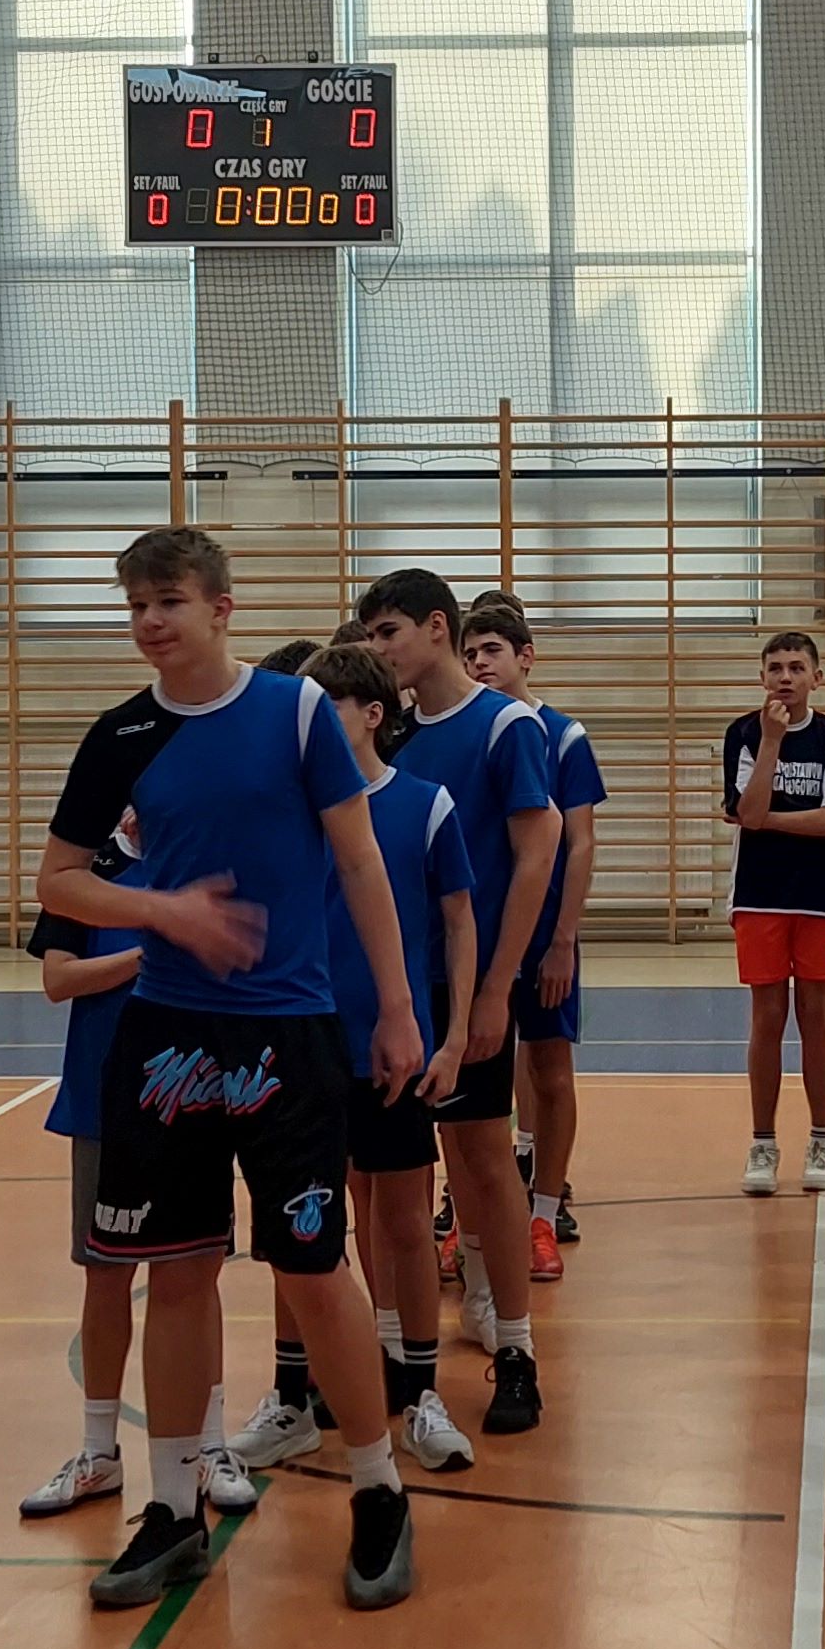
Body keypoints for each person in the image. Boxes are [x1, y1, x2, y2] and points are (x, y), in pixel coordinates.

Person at [39, 527, 429, 1613]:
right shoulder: (121, 734)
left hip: (288, 1033)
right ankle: (171, 1509)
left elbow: (360, 859)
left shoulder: (298, 712)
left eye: (167, 600)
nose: (148, 621)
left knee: (312, 1268)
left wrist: (396, 1008)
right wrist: (160, 910)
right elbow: (60, 881)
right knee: (176, 1270)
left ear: (221, 607)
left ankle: (378, 1489)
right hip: (164, 1037)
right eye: (135, 605)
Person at [241, 643, 483, 1475]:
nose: (308, 720)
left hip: (390, 1050)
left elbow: (459, 921)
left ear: (373, 714)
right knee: (297, 1228)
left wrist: (453, 1035)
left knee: (406, 1226)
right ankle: (291, 1398)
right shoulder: (287, 808)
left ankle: (420, 1395)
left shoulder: (424, 804)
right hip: (295, 1046)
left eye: (329, 704)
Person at [355, 570, 565, 1413]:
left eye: (389, 632)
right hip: (396, 987)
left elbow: (537, 854)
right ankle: (394, 1353)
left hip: (468, 978)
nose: (378, 650)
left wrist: (495, 989)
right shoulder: (393, 733)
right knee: (395, 1178)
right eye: (370, 636)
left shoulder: (504, 725)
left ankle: (515, 1351)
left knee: (482, 1156)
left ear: (436, 627)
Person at [20, 838, 258, 1523]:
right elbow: (58, 979)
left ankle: (209, 1446)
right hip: (102, 1101)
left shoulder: (202, 859)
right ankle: (98, 1452)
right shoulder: (85, 872)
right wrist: (147, 953)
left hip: (192, 1097)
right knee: (104, 1275)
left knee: (196, 1277)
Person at [462, 594, 598, 1257]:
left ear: (526, 657)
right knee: (469, 1080)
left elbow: (579, 842)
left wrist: (563, 939)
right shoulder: (461, 730)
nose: (479, 663)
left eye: (492, 651)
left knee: (551, 1070)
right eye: (469, 654)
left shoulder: (561, 735)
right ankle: (469, 1212)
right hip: (475, 936)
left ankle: (544, 1211)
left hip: (542, 936)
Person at [722, 630, 825, 1198]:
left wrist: (766, 820)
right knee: (767, 1019)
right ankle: (763, 1142)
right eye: (775, 667)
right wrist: (771, 742)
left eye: (797, 667)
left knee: (815, 1020)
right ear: (762, 677)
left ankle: (822, 1138)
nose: (785, 677)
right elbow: (747, 809)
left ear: (816, 678)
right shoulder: (744, 734)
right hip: (758, 896)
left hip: (819, 897)